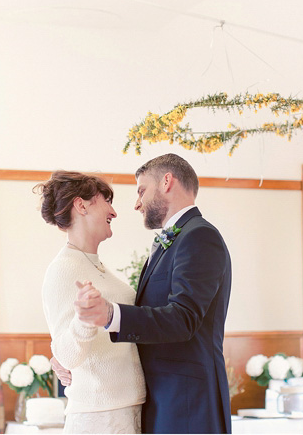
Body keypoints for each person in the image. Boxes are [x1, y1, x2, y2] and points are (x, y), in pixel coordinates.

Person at [74, 154, 233, 434]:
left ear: (167, 182)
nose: (137, 204)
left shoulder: (199, 236)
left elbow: (183, 318)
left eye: (141, 191)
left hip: (187, 404)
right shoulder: (172, 241)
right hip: (162, 400)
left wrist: (111, 314)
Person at [38, 171, 146, 434]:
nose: (114, 211)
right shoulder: (63, 269)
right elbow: (66, 355)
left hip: (128, 409)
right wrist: (84, 320)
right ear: (81, 205)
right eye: (106, 200)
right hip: (100, 417)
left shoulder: (96, 266)